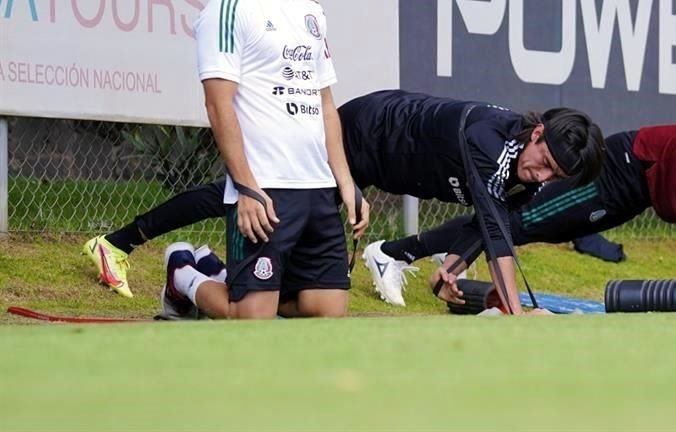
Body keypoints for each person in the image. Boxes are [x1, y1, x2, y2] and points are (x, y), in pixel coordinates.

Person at [83, 90, 605, 316]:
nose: (541, 174)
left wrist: (455, 265)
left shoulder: (526, 168)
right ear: (536, 133)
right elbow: (495, 229)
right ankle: (115, 243)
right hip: (362, 135)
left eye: (554, 175)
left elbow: (494, 218)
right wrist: (515, 314)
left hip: (380, 165)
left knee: (314, 292)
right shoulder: (491, 142)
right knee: (253, 199)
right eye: (543, 161)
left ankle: (208, 272)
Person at [363, 122, 676, 311]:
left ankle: (438, 265)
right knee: (521, 222)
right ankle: (391, 253)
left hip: (638, 190)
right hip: (624, 171)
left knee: (520, 224)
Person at [161, 0, 368, 320]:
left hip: (317, 191)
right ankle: (184, 276)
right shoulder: (229, 7)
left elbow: (325, 104)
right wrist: (247, 189)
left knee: (326, 313)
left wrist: (346, 184)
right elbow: (219, 107)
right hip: (266, 192)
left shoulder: (311, 10)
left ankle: (222, 275)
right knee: (250, 318)